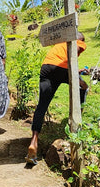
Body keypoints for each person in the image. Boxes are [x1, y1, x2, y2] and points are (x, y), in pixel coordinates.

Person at [27, 33, 88, 165]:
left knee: (42, 105)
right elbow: (72, 53)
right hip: (62, 69)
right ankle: (79, 118)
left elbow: (59, 62)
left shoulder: (59, 43)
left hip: (47, 68)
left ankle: (34, 142)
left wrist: (77, 71)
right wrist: (78, 78)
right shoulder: (78, 41)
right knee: (83, 87)